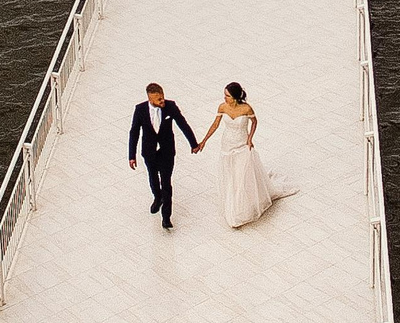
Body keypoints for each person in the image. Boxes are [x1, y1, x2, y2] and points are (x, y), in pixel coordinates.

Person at [207, 82, 298, 228]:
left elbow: (254, 122)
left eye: (227, 96)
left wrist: (250, 138)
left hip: (242, 144)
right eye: (224, 95)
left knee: (242, 175)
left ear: (235, 97)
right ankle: (234, 208)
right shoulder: (222, 107)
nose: (224, 98)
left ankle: (242, 208)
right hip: (227, 145)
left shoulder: (246, 108)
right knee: (232, 175)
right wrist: (204, 141)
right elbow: (215, 125)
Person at [127, 83, 201, 230]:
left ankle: (166, 217)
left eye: (162, 98)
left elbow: (182, 124)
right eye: (158, 100)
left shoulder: (170, 106)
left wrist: (193, 143)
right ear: (150, 99)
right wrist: (132, 155)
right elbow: (134, 132)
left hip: (166, 151)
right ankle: (157, 196)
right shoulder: (140, 109)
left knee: (166, 182)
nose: (162, 101)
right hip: (149, 151)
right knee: (153, 177)